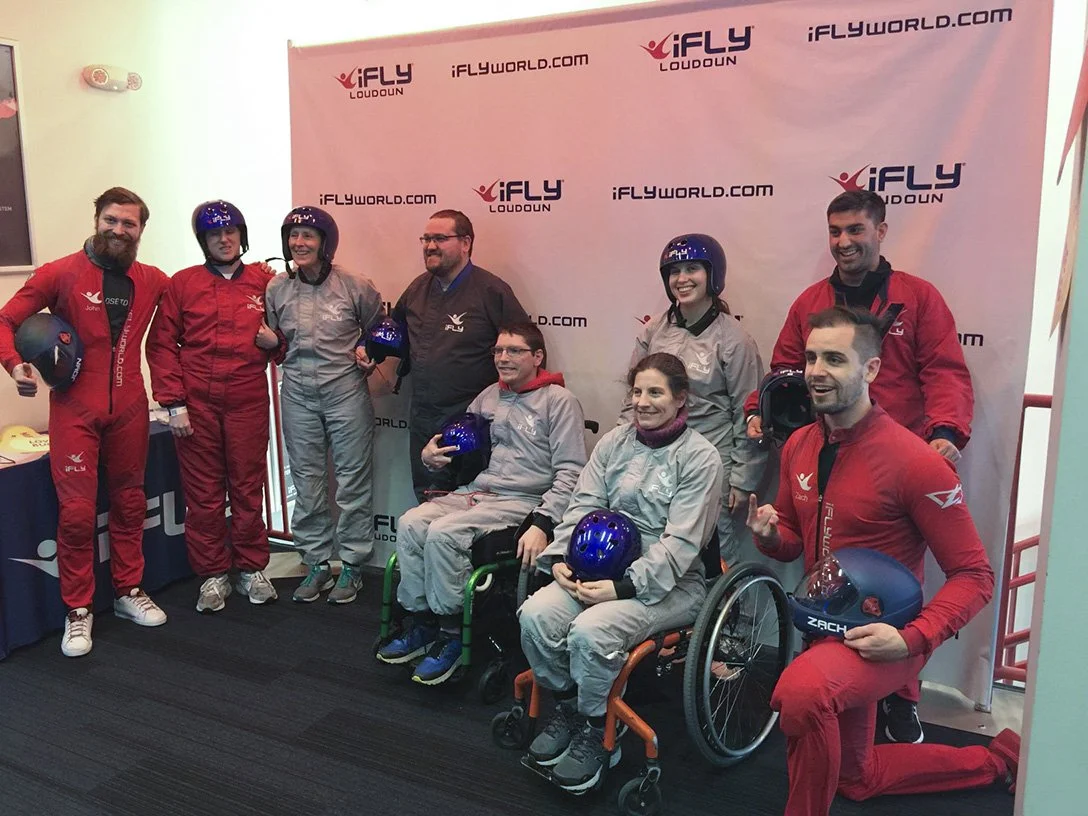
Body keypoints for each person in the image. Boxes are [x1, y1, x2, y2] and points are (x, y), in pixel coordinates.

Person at [746, 306, 1018, 816]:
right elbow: (791, 541)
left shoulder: (917, 462)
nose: (816, 371)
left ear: (871, 369)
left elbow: (975, 576)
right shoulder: (800, 444)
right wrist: (769, 535)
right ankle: (999, 761)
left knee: (802, 692)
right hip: (823, 629)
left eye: (834, 359)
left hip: (888, 641)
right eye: (811, 358)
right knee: (856, 777)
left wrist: (912, 639)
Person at [744, 189, 975, 742]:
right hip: (828, 448)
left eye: (855, 230)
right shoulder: (810, 303)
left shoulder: (918, 298)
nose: (844, 241)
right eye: (835, 231)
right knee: (826, 562)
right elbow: (784, 369)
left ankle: (900, 693)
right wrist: (758, 410)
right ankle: (827, 671)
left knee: (896, 581)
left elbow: (944, 370)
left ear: (881, 231)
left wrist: (945, 433)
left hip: (898, 456)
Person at [519, 352, 724, 793]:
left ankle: (598, 731)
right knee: (536, 615)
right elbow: (584, 504)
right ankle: (570, 706)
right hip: (595, 567)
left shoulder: (700, 458)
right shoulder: (614, 443)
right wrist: (561, 560)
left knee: (591, 632)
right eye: (637, 392)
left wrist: (625, 586)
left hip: (669, 583)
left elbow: (682, 543)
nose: (643, 402)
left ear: (680, 398)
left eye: (656, 392)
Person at [0, 187, 169, 657]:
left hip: (131, 405)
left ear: (141, 230)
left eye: (129, 223)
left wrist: (262, 278)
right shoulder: (59, 273)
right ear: (97, 220)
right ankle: (78, 609)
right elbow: (5, 320)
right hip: (75, 408)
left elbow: (195, 300)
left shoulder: (153, 280)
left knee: (130, 502)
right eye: (111, 220)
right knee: (76, 515)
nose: (119, 229)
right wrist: (14, 365)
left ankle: (128, 590)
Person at [377, 322, 587, 685]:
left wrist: (543, 521)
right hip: (478, 491)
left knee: (444, 533)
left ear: (537, 357)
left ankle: (452, 634)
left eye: (514, 350)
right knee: (411, 522)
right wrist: (432, 455)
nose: (503, 358)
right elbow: (456, 445)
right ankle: (423, 623)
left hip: (523, 499)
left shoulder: (559, 401)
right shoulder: (489, 395)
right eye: (498, 351)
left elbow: (571, 472)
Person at [146, 200, 282, 614]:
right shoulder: (183, 284)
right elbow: (161, 344)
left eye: (230, 232)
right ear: (203, 240)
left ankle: (251, 567)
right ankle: (212, 574)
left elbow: (291, 335)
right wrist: (174, 404)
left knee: (247, 486)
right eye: (214, 234)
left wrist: (277, 344)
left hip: (247, 399)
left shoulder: (266, 282)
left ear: (242, 235)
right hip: (197, 403)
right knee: (203, 494)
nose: (224, 240)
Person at [620, 233, 766, 564]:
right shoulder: (654, 331)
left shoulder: (734, 340)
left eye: (692, 269)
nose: (682, 279)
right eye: (674, 271)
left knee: (714, 547)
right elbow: (632, 399)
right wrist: (623, 452)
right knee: (656, 541)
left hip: (711, 458)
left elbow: (749, 414)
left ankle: (730, 599)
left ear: (712, 275)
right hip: (656, 454)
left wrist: (742, 481)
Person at [264, 205, 383, 604]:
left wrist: (369, 352)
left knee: (352, 481)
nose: (299, 243)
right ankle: (315, 562)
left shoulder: (355, 285)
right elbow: (275, 339)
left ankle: (352, 564)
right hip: (297, 392)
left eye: (308, 236)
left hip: (345, 391)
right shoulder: (277, 288)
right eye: (293, 236)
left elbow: (377, 331)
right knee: (307, 481)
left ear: (325, 243)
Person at [380, 209, 529, 502]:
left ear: (465, 243)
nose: (430, 246)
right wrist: (369, 349)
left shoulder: (491, 291)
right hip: (424, 417)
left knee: (469, 506)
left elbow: (524, 352)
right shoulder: (417, 289)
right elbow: (393, 335)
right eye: (426, 239)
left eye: (439, 238)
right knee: (427, 499)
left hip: (473, 422)